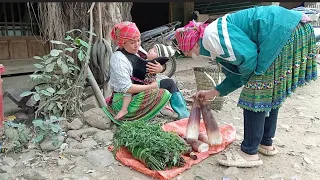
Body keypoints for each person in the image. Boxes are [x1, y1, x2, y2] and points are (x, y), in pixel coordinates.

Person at [174, 5, 317, 167]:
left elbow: (248, 57)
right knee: (271, 91)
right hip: (292, 29)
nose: (190, 56)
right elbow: (236, 75)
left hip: (282, 31)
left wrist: (253, 85)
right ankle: (265, 142)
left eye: (187, 53)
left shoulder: (211, 37)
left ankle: (249, 153)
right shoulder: (215, 41)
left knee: (256, 93)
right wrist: (213, 92)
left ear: (192, 46)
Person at [106, 21, 189, 124]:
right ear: (123, 43)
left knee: (170, 83)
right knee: (163, 93)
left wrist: (160, 68)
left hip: (140, 89)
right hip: (126, 100)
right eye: (132, 43)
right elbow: (128, 88)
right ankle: (131, 115)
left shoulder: (137, 50)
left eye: (138, 40)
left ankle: (184, 115)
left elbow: (151, 62)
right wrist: (151, 87)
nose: (137, 45)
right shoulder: (119, 59)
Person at [114, 43, 176, 120]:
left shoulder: (147, 61)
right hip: (133, 89)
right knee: (128, 91)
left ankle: (182, 112)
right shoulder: (124, 56)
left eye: (155, 51)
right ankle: (124, 110)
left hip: (144, 87)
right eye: (153, 49)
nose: (150, 50)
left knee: (170, 83)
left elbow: (161, 63)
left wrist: (161, 68)